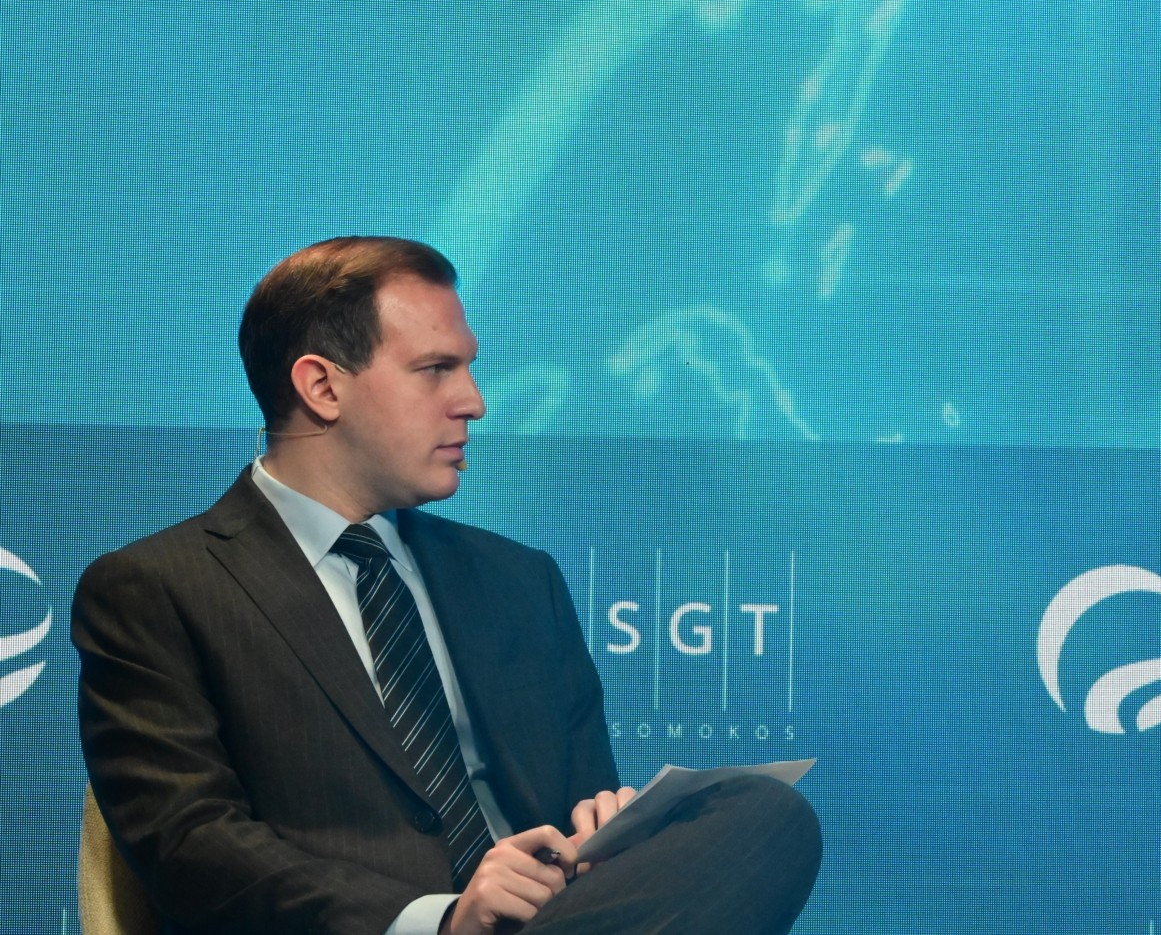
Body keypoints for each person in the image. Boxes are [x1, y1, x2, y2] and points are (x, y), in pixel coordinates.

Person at [74, 237, 822, 935]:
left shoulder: (519, 580)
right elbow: (191, 846)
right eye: (436, 369)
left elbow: (583, 819)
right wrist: (441, 919)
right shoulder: (158, 588)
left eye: (468, 367)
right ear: (322, 386)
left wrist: (601, 834)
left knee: (761, 812)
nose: (474, 400)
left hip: (555, 918)